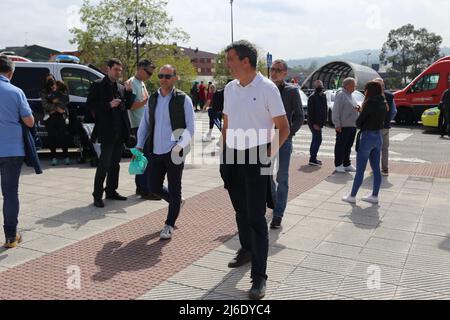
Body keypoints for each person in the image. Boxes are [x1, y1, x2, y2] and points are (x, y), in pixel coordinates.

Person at [220, 40, 290, 300]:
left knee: (257, 219)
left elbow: (283, 129)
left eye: (230, 59)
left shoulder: (268, 88)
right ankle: (246, 250)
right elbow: (226, 123)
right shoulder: (229, 88)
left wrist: (267, 157)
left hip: (257, 157)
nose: (227, 64)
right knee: (240, 211)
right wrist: (223, 154)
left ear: (245, 61)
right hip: (232, 158)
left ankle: (259, 278)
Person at [136, 65, 195, 240]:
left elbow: (190, 128)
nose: (164, 79)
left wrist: (179, 146)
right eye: (161, 76)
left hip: (174, 151)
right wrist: (139, 145)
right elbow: (145, 124)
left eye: (168, 76)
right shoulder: (153, 99)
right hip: (155, 150)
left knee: (175, 188)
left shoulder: (183, 99)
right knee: (153, 186)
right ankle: (176, 202)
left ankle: (169, 224)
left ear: (175, 78)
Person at [87, 59, 134, 208]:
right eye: (116, 69)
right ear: (108, 69)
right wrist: (108, 105)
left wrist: (129, 92)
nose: (118, 72)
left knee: (115, 165)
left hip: (120, 131)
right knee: (104, 165)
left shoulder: (120, 87)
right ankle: (97, 195)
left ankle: (111, 191)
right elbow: (90, 105)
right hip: (107, 131)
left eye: (120, 70)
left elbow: (127, 106)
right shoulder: (98, 85)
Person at [0, 56, 35, 248]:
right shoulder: (15, 92)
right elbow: (29, 121)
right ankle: (10, 237)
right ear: (11, 72)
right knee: (10, 193)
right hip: (11, 149)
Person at [268, 59, 304, 229]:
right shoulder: (264, 89)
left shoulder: (291, 91)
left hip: (283, 138)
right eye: (272, 69)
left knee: (282, 177)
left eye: (277, 69)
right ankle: (275, 203)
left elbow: (299, 116)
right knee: (265, 176)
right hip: (265, 139)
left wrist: (289, 133)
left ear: (284, 73)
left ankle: (278, 214)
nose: (273, 72)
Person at [342, 81, 388, 204]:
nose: (365, 91)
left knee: (360, 169)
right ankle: (374, 195)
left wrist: (361, 112)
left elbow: (359, 123)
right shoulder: (383, 103)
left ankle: (352, 196)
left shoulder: (368, 103)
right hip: (378, 136)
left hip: (367, 136)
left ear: (369, 90)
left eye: (366, 89)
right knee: (376, 169)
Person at [126, 59, 160, 201]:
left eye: (151, 74)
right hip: (138, 125)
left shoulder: (141, 83)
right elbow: (131, 105)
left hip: (144, 124)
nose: (149, 76)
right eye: (148, 72)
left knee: (143, 157)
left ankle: (142, 187)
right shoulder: (132, 82)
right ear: (140, 68)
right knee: (144, 157)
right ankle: (145, 189)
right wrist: (147, 101)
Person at [41, 77, 70, 166]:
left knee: (63, 136)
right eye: (50, 84)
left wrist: (60, 108)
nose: (52, 86)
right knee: (52, 137)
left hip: (61, 116)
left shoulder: (62, 91)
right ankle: (54, 157)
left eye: (53, 84)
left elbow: (65, 102)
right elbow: (45, 105)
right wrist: (56, 107)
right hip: (50, 117)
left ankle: (66, 157)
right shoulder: (45, 93)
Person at [332, 78, 360, 173]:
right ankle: (338, 164)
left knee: (348, 146)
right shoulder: (341, 95)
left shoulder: (351, 95)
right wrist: (337, 124)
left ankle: (346, 163)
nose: (355, 87)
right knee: (341, 146)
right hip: (343, 126)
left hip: (352, 125)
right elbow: (336, 110)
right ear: (348, 85)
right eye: (354, 85)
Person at [373, 78, 397, 176]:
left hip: (374, 126)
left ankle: (376, 169)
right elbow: (394, 111)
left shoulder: (372, 95)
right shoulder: (390, 96)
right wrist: (387, 120)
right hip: (386, 126)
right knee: (385, 148)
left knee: (375, 148)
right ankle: (385, 169)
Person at [307, 80, 328, 167]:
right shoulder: (312, 97)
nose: (320, 88)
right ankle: (312, 159)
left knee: (315, 140)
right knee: (318, 140)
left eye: (321, 86)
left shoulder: (323, 95)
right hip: (314, 123)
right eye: (318, 86)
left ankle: (313, 158)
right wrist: (314, 124)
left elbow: (324, 108)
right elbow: (310, 112)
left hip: (320, 122)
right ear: (315, 87)